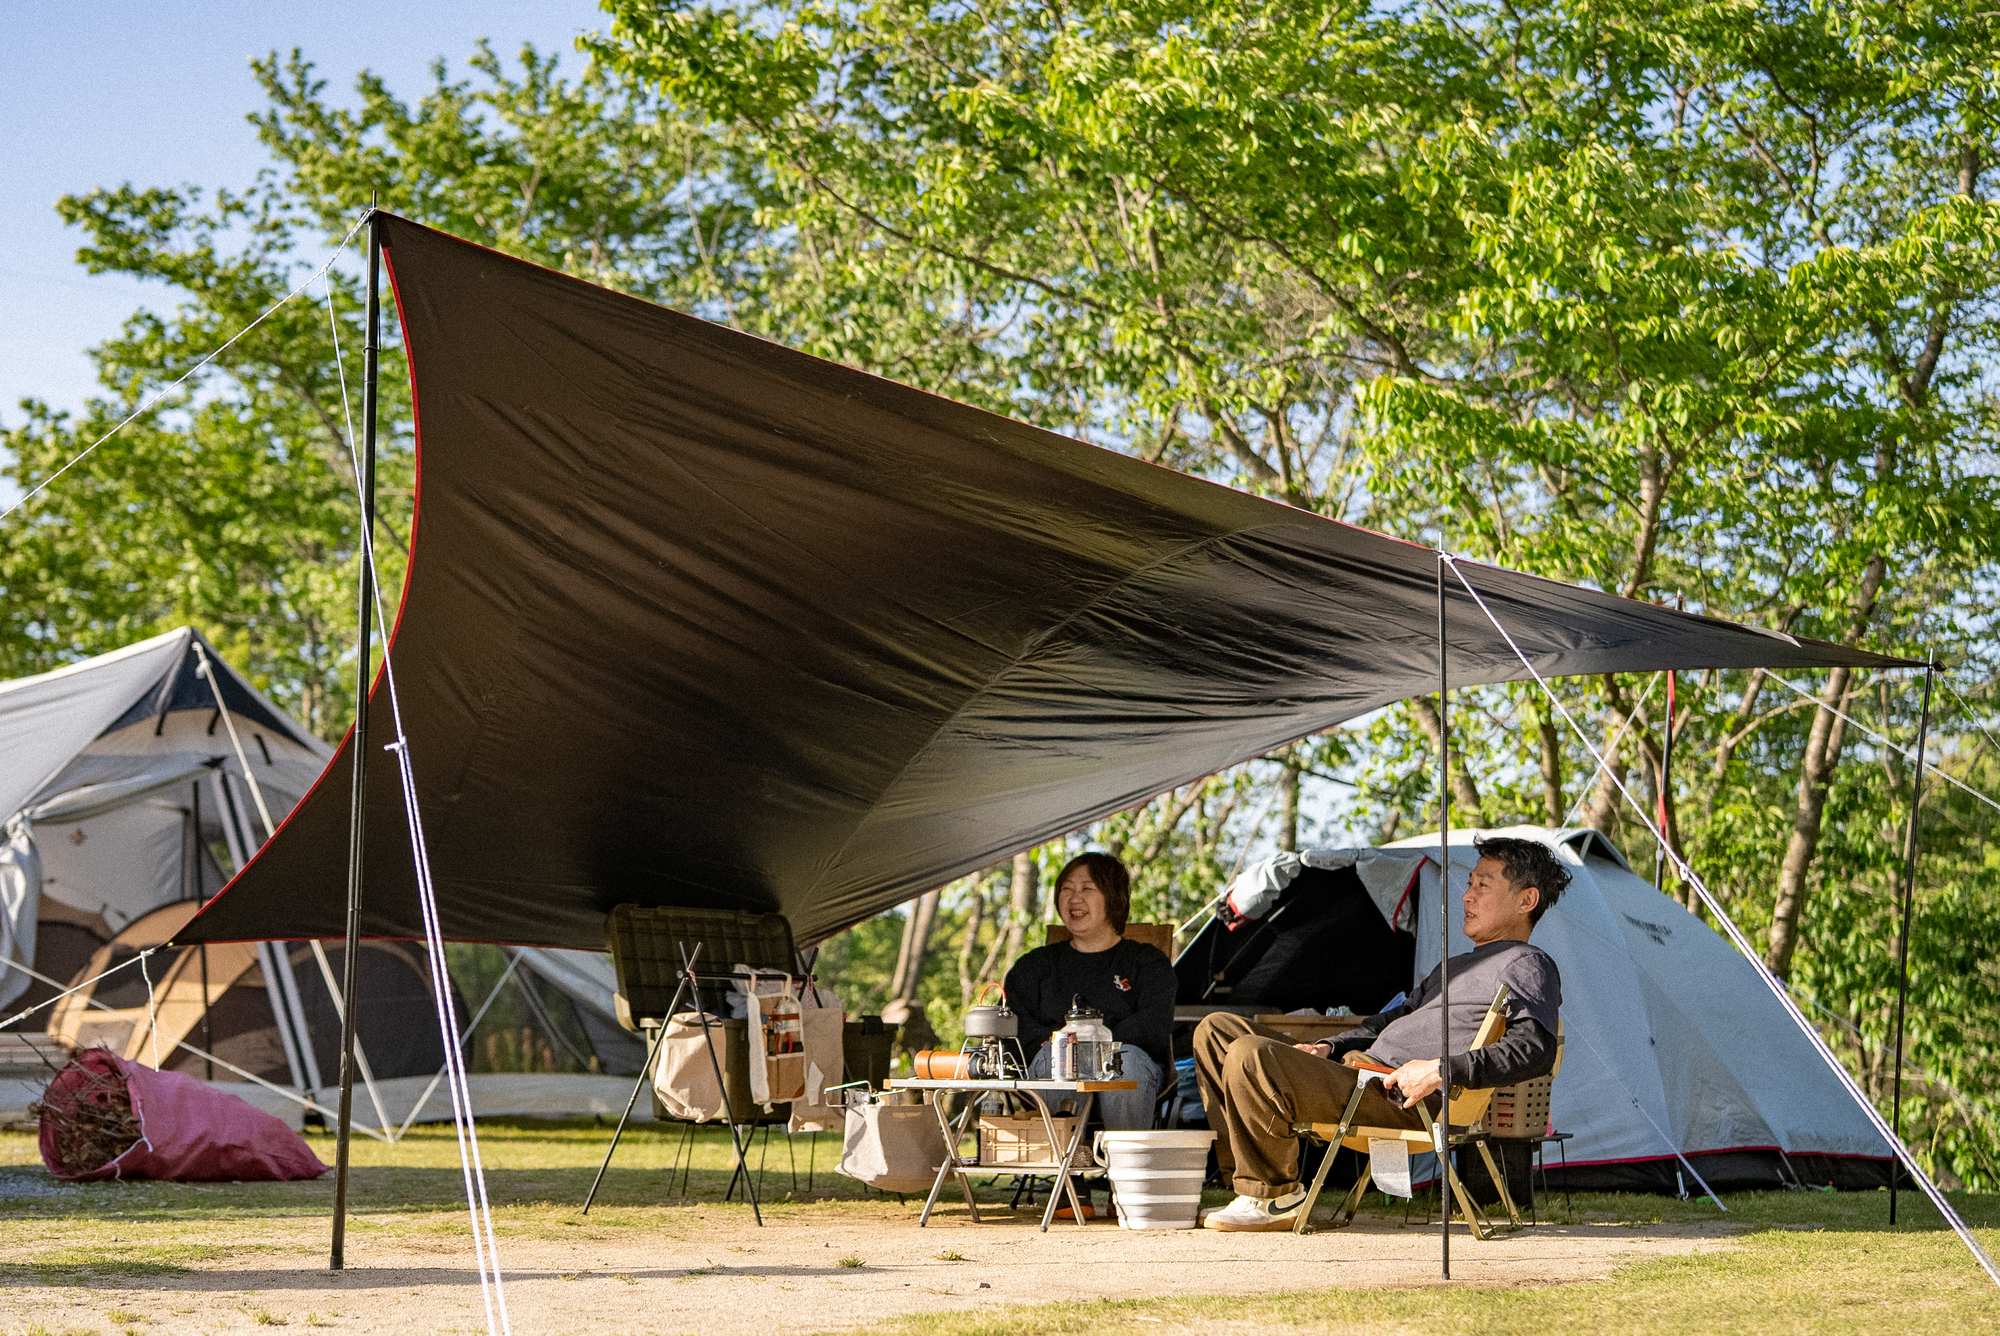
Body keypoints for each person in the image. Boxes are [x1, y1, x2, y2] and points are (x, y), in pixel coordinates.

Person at [1193, 835, 1568, 1231]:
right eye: (1469, 883)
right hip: (1359, 1076)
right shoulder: (1452, 966)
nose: (1466, 896)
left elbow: (1534, 1048)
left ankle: (1273, 1195)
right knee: (1217, 1030)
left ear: (1527, 900)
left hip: (1400, 1098)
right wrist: (1328, 1045)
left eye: (1482, 886)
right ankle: (1245, 1182)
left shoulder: (1528, 964)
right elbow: (1390, 1018)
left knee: (1251, 1053)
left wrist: (1441, 1069)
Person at [1002, 852, 1175, 1130]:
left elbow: (1154, 1025)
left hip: (1125, 1064)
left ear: (1113, 897)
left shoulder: (1147, 962)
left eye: (1087, 889)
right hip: (1055, 1066)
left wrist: (1095, 1048)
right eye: (1066, 889)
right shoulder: (1034, 966)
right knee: (1058, 1058)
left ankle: (1126, 1168)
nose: (1074, 898)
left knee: (1126, 1062)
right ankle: (1069, 1164)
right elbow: (1013, 1025)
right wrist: (1064, 1047)